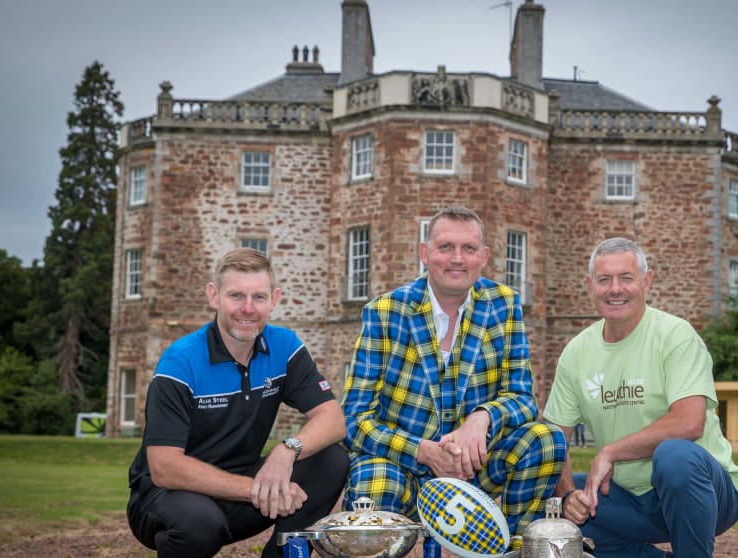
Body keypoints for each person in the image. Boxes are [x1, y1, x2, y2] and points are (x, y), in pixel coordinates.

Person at [340, 206, 567, 535]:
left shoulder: (504, 304)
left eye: (469, 248)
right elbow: (354, 419)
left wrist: (483, 417)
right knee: (374, 485)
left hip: (476, 466)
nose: (457, 258)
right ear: (424, 253)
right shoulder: (385, 311)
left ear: (484, 256)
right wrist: (423, 451)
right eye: (446, 247)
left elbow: (523, 399)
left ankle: (518, 547)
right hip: (401, 464)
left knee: (546, 441)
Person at [126, 248, 349, 558]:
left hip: (244, 490)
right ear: (213, 296)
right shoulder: (180, 362)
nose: (247, 308)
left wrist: (287, 451)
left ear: (275, 299)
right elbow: (165, 468)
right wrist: (255, 489)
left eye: (258, 297)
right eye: (236, 296)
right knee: (200, 522)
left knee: (332, 460)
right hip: (167, 497)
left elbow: (333, 419)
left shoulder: (284, 346)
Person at [543, 237, 738, 558]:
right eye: (604, 280)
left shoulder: (675, 335)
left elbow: (690, 422)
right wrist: (568, 495)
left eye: (626, 278)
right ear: (590, 285)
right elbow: (553, 440)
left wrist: (610, 452)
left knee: (675, 457)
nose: (615, 289)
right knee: (547, 499)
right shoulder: (576, 352)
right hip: (629, 497)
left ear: (646, 281)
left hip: (706, 493)